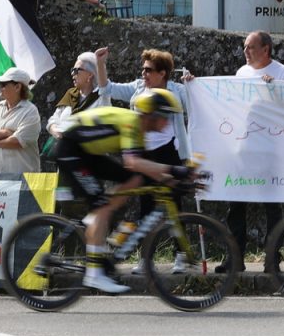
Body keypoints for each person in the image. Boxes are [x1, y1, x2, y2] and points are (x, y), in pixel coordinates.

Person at [51, 89, 192, 294]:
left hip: (87, 152)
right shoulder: (132, 123)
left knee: (134, 179)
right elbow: (133, 162)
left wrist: (177, 180)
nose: (167, 122)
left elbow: (145, 170)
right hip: (70, 151)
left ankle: (97, 221)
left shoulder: (141, 132)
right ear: (151, 115)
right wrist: (176, 170)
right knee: (101, 206)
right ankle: (94, 274)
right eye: (165, 116)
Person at [226, 31, 284, 272]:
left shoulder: (282, 73)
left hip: (270, 151)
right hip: (244, 149)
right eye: (245, 46)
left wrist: (274, 90)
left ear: (266, 49)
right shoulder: (241, 73)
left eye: (251, 47)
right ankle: (235, 258)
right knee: (236, 204)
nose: (245, 51)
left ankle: (272, 258)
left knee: (271, 205)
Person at [0, 67, 41, 174]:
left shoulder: (31, 111)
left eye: (3, 84)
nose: (0, 87)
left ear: (17, 87)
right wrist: (6, 133)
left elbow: (16, 142)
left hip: (24, 178)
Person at [46, 52, 105, 139]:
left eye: (76, 70)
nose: (73, 74)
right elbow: (54, 118)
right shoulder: (71, 93)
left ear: (90, 74)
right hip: (61, 145)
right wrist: (55, 130)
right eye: (72, 70)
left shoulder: (101, 100)